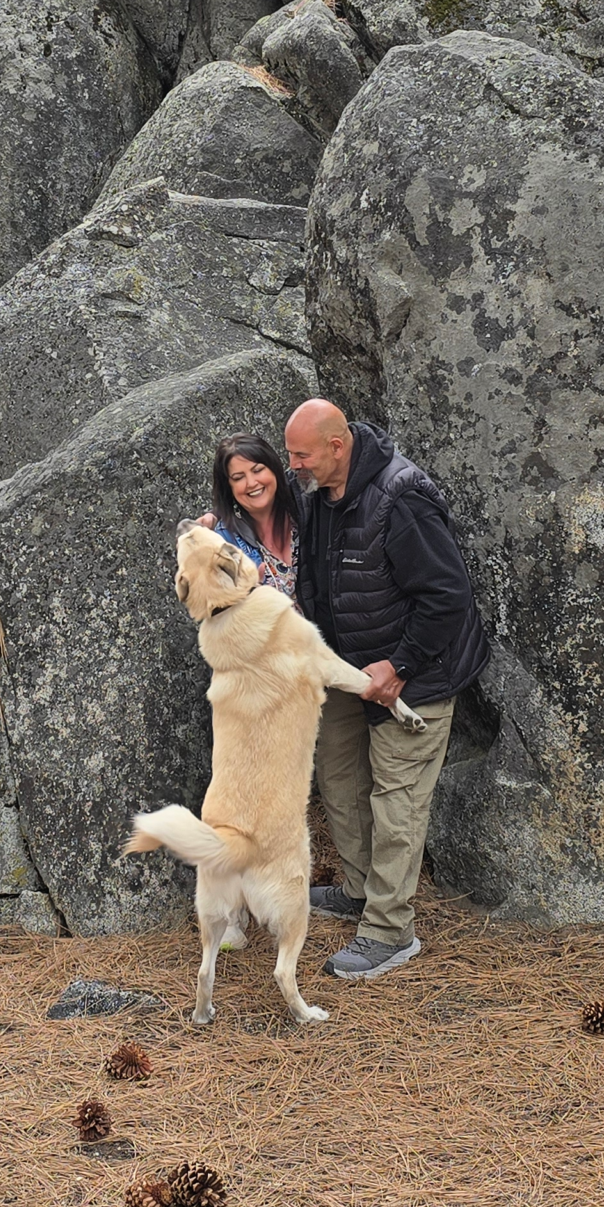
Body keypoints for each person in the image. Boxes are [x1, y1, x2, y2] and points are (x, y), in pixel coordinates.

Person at [284, 397, 488, 980]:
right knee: (338, 775)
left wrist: (399, 666)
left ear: (337, 446)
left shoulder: (402, 498)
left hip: (415, 677)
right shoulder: (320, 494)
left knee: (397, 799)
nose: (293, 465)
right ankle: (358, 890)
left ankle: (390, 931)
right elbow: (265, 516)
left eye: (301, 455)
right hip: (351, 673)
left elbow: (448, 597)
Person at [209, 433, 299, 596]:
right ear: (228, 488)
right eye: (238, 478)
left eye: (257, 470)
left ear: (274, 468)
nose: (251, 483)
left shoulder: (303, 505)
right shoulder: (224, 544)